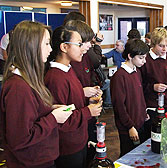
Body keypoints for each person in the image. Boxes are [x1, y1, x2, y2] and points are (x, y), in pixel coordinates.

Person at [0, 21, 73, 168]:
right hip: (31, 162)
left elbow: (30, 115)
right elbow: (20, 138)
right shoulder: (18, 87)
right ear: (31, 46)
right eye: (46, 44)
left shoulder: (28, 79)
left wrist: (49, 109)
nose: (50, 49)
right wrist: (53, 118)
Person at [45, 26, 103, 168]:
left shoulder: (69, 69)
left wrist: (88, 101)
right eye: (79, 44)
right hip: (68, 146)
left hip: (79, 139)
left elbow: (71, 103)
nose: (83, 48)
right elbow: (61, 120)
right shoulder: (55, 78)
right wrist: (88, 111)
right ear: (64, 47)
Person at [110, 39, 149, 157]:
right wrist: (130, 126)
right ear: (130, 56)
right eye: (141, 58)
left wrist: (143, 112)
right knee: (128, 156)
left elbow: (139, 97)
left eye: (145, 57)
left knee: (140, 155)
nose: (144, 61)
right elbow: (119, 106)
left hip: (140, 121)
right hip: (128, 127)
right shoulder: (119, 76)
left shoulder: (137, 71)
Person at [140, 27, 167, 112]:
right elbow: (139, 84)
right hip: (151, 104)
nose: (164, 49)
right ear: (153, 44)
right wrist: (153, 87)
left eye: (166, 46)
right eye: (161, 46)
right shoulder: (144, 60)